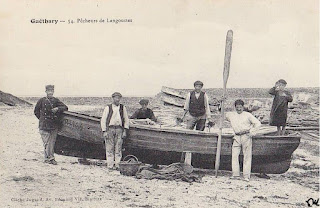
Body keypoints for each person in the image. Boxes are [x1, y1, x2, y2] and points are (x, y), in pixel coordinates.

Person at [225, 99, 261, 182]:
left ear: (243, 107)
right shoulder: (231, 115)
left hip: (246, 136)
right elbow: (223, 114)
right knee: (234, 155)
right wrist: (222, 103)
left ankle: (246, 176)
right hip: (237, 136)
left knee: (247, 156)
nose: (239, 109)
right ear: (235, 107)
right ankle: (235, 174)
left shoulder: (248, 115)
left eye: (240, 107)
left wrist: (251, 132)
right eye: (237, 107)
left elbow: (258, 123)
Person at [34, 85, 68, 165]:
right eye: (49, 91)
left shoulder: (56, 100)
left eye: (52, 91)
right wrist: (42, 119)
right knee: (46, 142)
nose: (50, 93)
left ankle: (48, 158)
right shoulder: (41, 100)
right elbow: (36, 111)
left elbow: (65, 107)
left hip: (53, 125)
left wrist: (57, 109)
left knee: (51, 143)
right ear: (46, 92)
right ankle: (50, 158)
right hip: (44, 124)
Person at [100, 92, 129, 170]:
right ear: (112, 98)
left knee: (118, 148)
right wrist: (104, 131)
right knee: (109, 148)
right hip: (110, 129)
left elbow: (126, 120)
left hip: (119, 129)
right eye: (116, 98)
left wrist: (125, 131)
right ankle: (110, 165)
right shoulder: (108, 108)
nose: (117, 99)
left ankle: (118, 165)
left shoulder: (123, 108)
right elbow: (103, 120)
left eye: (119, 98)